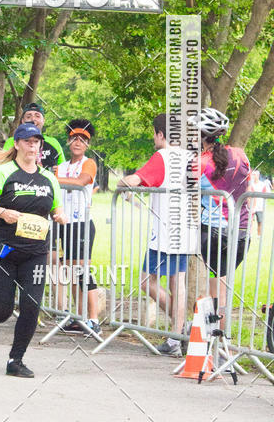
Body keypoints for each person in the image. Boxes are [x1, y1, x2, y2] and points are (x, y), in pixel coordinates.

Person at [0, 122, 66, 377]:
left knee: (31, 305)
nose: (33, 145)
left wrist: (60, 215)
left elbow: (56, 206)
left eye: (37, 141)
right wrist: (4, 212)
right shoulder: (4, 173)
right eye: (28, 141)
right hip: (3, 249)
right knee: (3, 306)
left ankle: (16, 360)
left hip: (35, 252)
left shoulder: (48, 178)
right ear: (17, 144)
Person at [117, 113, 195, 357]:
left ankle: (181, 330)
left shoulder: (162, 156)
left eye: (154, 133)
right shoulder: (190, 157)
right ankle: (179, 333)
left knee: (146, 281)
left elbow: (134, 180)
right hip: (186, 228)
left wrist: (121, 182)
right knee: (177, 283)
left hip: (164, 232)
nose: (153, 137)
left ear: (161, 134)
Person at [196, 108, 251, 328]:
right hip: (242, 231)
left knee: (216, 283)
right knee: (223, 282)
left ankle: (216, 338)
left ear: (200, 136)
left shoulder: (199, 163)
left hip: (214, 231)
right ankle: (221, 336)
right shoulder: (240, 154)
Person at [54, 119, 100, 335]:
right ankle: (78, 316)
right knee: (72, 272)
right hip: (66, 223)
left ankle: (94, 319)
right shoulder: (62, 166)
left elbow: (82, 182)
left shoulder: (88, 163)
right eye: (74, 138)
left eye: (82, 139)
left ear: (87, 144)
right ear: (68, 141)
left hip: (82, 223)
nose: (77, 142)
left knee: (82, 271)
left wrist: (55, 178)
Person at [3, 102, 65, 170]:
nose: (33, 119)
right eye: (28, 116)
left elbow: (63, 168)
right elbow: (3, 165)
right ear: (23, 121)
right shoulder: (12, 141)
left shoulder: (54, 143)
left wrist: (58, 171)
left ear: (43, 120)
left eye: (37, 116)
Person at [249, 169, 270, 237]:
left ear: (258, 175)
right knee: (250, 221)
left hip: (260, 207)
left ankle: (259, 235)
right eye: (253, 174)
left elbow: (266, 194)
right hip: (251, 206)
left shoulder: (262, 184)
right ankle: (250, 234)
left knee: (260, 221)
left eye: (254, 175)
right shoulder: (250, 184)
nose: (253, 176)